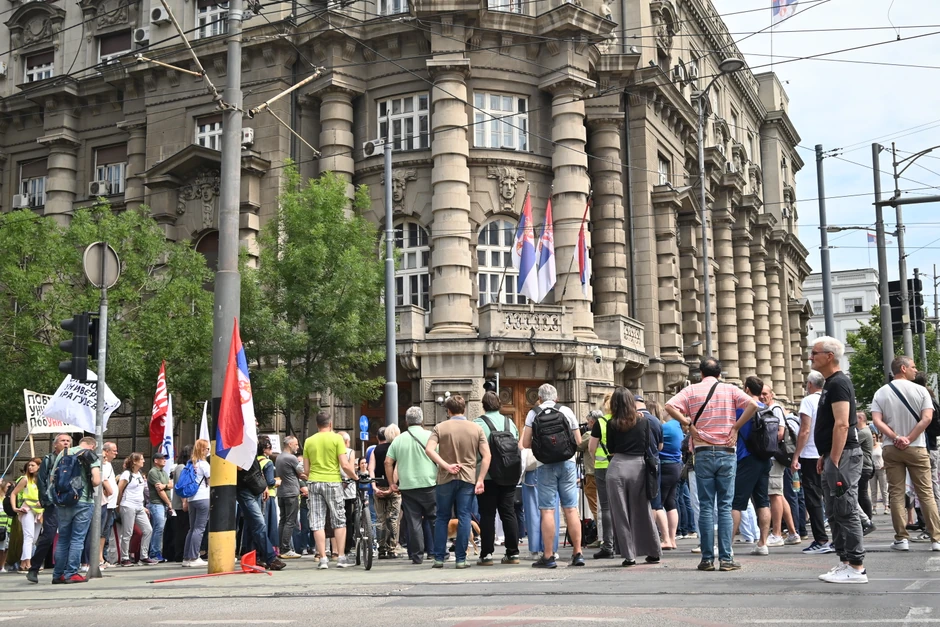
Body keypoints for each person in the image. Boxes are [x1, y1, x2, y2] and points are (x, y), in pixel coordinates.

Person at [666, 357, 758, 572]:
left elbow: (669, 405)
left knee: (706, 506)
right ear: (720, 373)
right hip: (727, 451)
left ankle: (707, 558)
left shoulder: (691, 391)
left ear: (700, 373)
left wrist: (688, 423)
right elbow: (753, 404)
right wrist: (735, 428)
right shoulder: (730, 389)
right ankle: (726, 558)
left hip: (703, 451)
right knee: (725, 506)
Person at [810, 336, 867, 584]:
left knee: (846, 510)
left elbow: (842, 424)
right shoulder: (830, 383)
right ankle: (845, 561)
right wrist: (826, 456)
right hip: (834, 455)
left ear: (829, 356)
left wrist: (833, 460)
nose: (810, 357)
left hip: (843, 456)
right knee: (834, 511)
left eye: (814, 353)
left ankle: (856, 566)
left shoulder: (839, 383)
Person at [871, 355, 940, 552]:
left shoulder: (881, 393)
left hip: (891, 448)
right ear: (903, 368)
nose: (915, 370)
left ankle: (901, 538)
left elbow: (877, 420)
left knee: (896, 493)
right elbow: (926, 418)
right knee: (926, 493)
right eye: (913, 367)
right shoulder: (921, 391)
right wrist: (909, 438)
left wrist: (895, 437)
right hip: (916, 447)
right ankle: (936, 538)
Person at [521, 383, 585, 569]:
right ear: (556, 398)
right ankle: (578, 553)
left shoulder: (533, 413)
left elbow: (525, 443)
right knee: (571, 509)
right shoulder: (566, 410)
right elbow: (579, 441)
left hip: (545, 465)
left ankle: (548, 556)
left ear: (539, 398)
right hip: (568, 464)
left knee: (547, 510)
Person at [426, 394, 490, 570]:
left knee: (441, 517)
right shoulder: (476, 429)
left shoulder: (440, 427)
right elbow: (487, 456)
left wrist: (446, 465)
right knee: (464, 517)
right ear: (465, 409)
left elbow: (429, 449)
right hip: (467, 478)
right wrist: (481, 479)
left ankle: (439, 558)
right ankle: (461, 559)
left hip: (445, 478)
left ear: (448, 410)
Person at [604, 388, 663, 567]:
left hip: (617, 467)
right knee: (643, 510)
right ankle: (653, 551)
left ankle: (629, 555)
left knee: (620, 512)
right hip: (638, 467)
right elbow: (647, 445)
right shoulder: (643, 422)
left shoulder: (612, 423)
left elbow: (611, 448)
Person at [471, 391, 521, 566]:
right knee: (508, 513)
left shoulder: (478, 424)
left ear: (483, 405)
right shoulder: (510, 423)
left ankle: (486, 554)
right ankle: (513, 553)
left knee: (487, 514)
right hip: (509, 475)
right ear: (499, 404)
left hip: (487, 476)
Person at [303, 411, 357, 570]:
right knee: (339, 520)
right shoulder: (337, 439)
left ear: (317, 424)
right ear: (330, 424)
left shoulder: (309, 441)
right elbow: (345, 465)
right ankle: (340, 557)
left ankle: (323, 559)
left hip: (314, 482)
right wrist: (354, 477)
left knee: (318, 522)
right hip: (333, 482)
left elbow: (306, 469)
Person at [729, 376, 776, 557]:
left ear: (747, 389)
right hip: (764, 458)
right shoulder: (767, 409)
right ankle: (763, 543)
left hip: (746, 458)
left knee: (736, 503)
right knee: (762, 501)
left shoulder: (742, 409)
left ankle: (728, 544)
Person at [387, 406, 438, 565]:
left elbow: (388, 462)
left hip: (408, 486)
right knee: (435, 520)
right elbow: (440, 458)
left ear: (407, 421)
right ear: (422, 420)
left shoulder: (399, 439)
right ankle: (437, 553)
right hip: (430, 484)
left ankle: (417, 556)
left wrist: (391, 483)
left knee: (413, 521)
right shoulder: (431, 436)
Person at [51, 436, 102, 584]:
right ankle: (71, 573)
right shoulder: (91, 455)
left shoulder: (64, 453)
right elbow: (96, 480)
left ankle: (58, 574)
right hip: (83, 501)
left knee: (62, 539)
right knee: (77, 538)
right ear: (92, 446)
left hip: (63, 501)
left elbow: (54, 476)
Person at [794, 370, 833, 555]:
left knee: (813, 498)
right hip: (829, 452)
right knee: (832, 495)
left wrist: (796, 456)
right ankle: (837, 537)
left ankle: (821, 539)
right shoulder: (829, 398)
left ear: (810, 384)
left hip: (810, 454)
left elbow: (804, 430)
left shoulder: (809, 401)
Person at [25, 433, 72, 584]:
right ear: (55, 444)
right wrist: (45, 500)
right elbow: (41, 481)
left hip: (68, 503)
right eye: (63, 441)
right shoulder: (48, 459)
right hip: (52, 503)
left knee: (67, 536)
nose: (66, 443)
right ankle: (34, 568)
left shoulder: (72, 458)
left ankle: (63, 571)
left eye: (68, 441)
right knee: (49, 536)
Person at [236, 436, 285, 571]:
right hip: (245, 490)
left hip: (255, 489)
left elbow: (257, 471)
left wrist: (263, 487)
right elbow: (239, 467)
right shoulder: (241, 448)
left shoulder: (251, 450)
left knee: (253, 525)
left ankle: (254, 557)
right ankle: (270, 558)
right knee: (258, 523)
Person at [761, 384, 800, 548]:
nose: (763, 396)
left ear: (772, 394)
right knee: (779, 494)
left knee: (774, 494)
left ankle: (777, 533)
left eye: (765, 393)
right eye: (760, 393)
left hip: (775, 457)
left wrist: (765, 447)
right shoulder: (772, 408)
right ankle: (792, 533)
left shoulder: (775, 408)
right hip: (777, 456)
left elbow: (780, 433)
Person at [649, 398, 681, 551]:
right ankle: (672, 539)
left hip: (665, 467)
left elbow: (656, 447)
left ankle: (665, 539)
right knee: (671, 503)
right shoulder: (676, 425)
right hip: (676, 466)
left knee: (658, 503)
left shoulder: (662, 428)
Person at [117, 452, 156, 566]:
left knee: (148, 530)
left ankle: (143, 556)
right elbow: (120, 490)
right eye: (141, 459)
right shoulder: (126, 474)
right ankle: (124, 557)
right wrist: (118, 504)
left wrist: (142, 506)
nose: (143, 461)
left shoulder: (139, 474)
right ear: (135, 462)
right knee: (127, 532)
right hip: (128, 504)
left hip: (139, 506)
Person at [589, 393, 616, 559]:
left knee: (606, 507)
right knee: (622, 506)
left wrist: (595, 461)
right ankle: (625, 544)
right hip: (622, 466)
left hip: (602, 467)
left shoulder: (601, 422)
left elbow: (592, 447)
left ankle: (608, 544)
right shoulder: (625, 420)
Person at [370, 424, 402, 559]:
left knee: (380, 519)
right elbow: (398, 469)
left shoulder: (375, 450)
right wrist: (392, 486)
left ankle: (381, 549)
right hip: (394, 488)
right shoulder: (397, 449)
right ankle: (392, 549)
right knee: (393, 519)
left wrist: (374, 486)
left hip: (379, 487)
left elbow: (371, 469)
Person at [275, 435, 307, 559]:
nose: (297, 447)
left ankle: (282, 548)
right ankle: (286, 548)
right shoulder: (291, 458)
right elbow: (302, 473)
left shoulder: (279, 457)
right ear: (290, 444)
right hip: (291, 493)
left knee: (283, 520)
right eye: (296, 444)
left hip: (282, 492)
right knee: (290, 521)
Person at [9, 457, 43, 572]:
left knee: (34, 538)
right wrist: (15, 508)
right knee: (28, 537)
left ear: (39, 467)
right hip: (27, 508)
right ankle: (28, 563)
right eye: (29, 465)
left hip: (39, 510)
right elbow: (14, 493)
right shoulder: (25, 479)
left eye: (33, 465)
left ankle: (24, 563)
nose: (30, 467)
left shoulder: (41, 480)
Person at [182, 439, 211, 568]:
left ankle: (186, 557)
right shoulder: (204, 464)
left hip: (191, 498)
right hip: (203, 497)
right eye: (207, 449)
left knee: (192, 528)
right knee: (199, 528)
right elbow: (211, 481)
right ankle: (194, 557)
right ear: (203, 450)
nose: (208, 451)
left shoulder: (191, 463)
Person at [577, 410, 601, 540]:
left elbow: (577, 445)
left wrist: (576, 433)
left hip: (591, 474)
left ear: (592, 422)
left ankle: (600, 536)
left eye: (588, 421)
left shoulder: (589, 434)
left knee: (595, 506)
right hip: (602, 472)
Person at [167, 444, 192, 563]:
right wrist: (184, 502)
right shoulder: (182, 467)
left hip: (182, 502)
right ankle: (179, 553)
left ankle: (181, 553)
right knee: (182, 529)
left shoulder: (182, 467)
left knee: (184, 528)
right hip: (181, 503)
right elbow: (182, 486)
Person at [147, 452, 174, 563]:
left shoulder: (164, 472)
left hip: (162, 504)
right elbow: (159, 490)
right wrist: (169, 503)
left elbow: (171, 484)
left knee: (160, 529)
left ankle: (157, 552)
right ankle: (154, 553)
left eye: (165, 458)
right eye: (162, 458)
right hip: (157, 503)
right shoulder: (153, 472)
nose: (164, 460)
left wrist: (165, 485)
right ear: (155, 461)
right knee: (158, 528)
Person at [98, 442, 119, 567]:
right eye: (114, 450)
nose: (116, 453)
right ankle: (99, 557)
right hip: (105, 502)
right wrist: (108, 492)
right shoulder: (102, 465)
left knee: (105, 532)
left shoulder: (108, 465)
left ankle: (101, 556)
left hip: (111, 503)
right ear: (105, 451)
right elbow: (102, 480)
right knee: (101, 531)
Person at [337, 432, 357, 558]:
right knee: (348, 518)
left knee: (337, 518)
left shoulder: (334, 451)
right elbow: (349, 468)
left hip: (335, 486)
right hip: (348, 488)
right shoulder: (349, 452)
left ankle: (336, 548)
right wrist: (355, 477)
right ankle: (347, 546)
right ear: (347, 441)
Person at [856, 412, 876, 534]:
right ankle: (866, 519)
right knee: (862, 494)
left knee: (862, 494)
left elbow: (851, 443)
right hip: (865, 467)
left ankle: (867, 519)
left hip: (864, 467)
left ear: (860, 419)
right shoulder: (866, 431)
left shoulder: (863, 432)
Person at [871, 434, 888, 515]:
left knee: (884, 489)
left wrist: (885, 465)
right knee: (873, 490)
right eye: (871, 437)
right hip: (872, 470)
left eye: (874, 437)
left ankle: (886, 506)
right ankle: (874, 507)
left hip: (881, 469)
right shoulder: (868, 446)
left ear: (876, 438)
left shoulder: (880, 446)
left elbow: (886, 454)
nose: (872, 438)